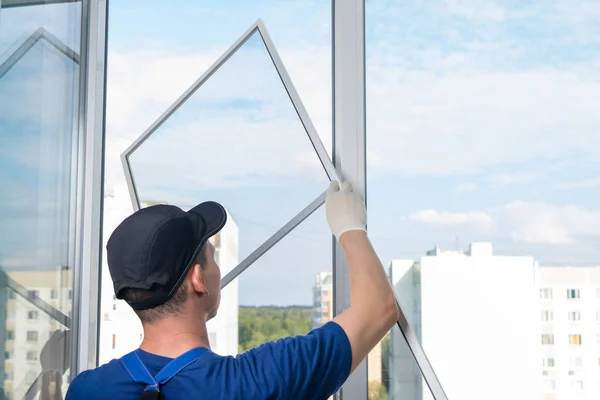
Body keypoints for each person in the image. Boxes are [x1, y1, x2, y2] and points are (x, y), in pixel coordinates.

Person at [65, 181, 399, 399]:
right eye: (212, 259)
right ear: (198, 280)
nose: (218, 270)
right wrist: (350, 228)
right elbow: (379, 308)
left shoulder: (85, 390)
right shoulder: (257, 382)